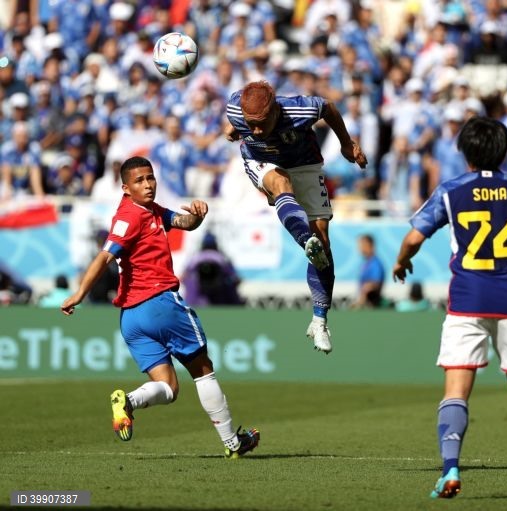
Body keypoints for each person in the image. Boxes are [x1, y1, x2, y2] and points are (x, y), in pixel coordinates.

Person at [392, 117, 507, 499]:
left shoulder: (451, 190)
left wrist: (401, 260)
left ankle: (450, 470)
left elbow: (413, 237)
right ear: (504, 151)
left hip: (467, 298)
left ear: (465, 152)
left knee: (456, 389)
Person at [61, 157, 259, 459]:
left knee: (168, 388)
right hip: (159, 303)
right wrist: (80, 293)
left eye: (150, 178)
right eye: (139, 181)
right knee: (203, 370)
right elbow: (104, 256)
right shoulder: (129, 217)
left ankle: (128, 401)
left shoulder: (151, 211)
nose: (148, 184)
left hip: (132, 318)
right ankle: (233, 441)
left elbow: (183, 223)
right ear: (125, 188)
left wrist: (197, 216)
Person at [223, 80, 368, 354]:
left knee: (323, 243)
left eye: (261, 123)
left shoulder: (300, 110)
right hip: (261, 161)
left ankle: (319, 320)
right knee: (280, 184)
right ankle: (304, 240)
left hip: (306, 165)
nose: (254, 129)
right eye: (248, 123)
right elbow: (233, 125)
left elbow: (330, 108)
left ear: (276, 110)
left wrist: (346, 144)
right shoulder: (235, 107)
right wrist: (233, 128)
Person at [182, 233, 244, 306]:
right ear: (215, 245)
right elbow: (236, 278)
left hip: (195, 303)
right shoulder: (222, 257)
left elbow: (184, 276)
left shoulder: (195, 258)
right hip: (219, 302)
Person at [352, 234, 385, 308]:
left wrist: (360, 302)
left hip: (371, 306)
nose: (359, 248)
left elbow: (375, 284)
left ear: (369, 245)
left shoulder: (375, 263)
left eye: (361, 245)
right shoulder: (366, 262)